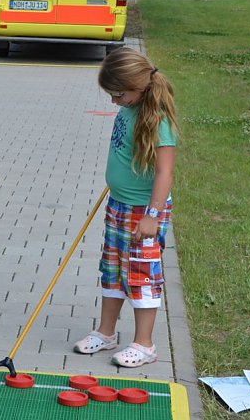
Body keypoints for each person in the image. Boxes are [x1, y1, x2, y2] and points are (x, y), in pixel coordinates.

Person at [73, 47, 177, 368]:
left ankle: (144, 344)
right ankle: (106, 333)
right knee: (113, 270)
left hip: (143, 213)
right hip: (119, 205)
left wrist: (152, 215)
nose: (113, 100)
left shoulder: (157, 120)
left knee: (141, 275)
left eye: (118, 94)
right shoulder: (129, 109)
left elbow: (164, 172)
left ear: (138, 85)